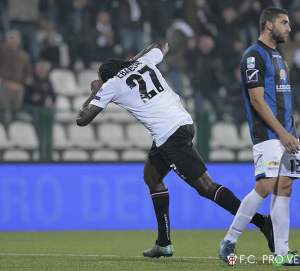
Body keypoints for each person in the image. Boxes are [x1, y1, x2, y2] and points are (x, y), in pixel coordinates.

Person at [76, 40, 274, 258]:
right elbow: (163, 43)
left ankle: (262, 222)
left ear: (107, 77)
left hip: (170, 136)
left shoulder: (110, 85)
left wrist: (94, 92)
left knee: (206, 188)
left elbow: (82, 120)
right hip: (183, 125)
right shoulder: (145, 62)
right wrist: (133, 61)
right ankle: (163, 243)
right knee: (151, 176)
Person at [219, 7, 300, 266]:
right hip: (270, 133)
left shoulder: (279, 56)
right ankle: (230, 240)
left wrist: (290, 132)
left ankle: (282, 253)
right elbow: (256, 99)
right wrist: (282, 132)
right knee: (265, 187)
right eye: (284, 23)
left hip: (288, 132)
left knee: (284, 188)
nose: (289, 28)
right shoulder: (254, 56)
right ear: (268, 25)